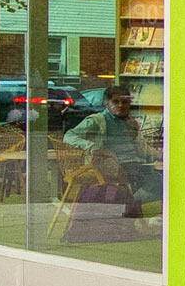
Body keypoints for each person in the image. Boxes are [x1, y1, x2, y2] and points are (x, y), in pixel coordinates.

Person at [64, 85, 164, 218]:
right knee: (156, 181)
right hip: (111, 167)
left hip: (133, 164)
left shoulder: (131, 122)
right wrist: (90, 146)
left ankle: (131, 203)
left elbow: (141, 148)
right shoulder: (97, 120)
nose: (121, 105)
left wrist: (163, 155)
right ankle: (131, 204)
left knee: (161, 180)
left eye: (125, 102)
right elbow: (69, 136)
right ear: (107, 103)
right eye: (116, 102)